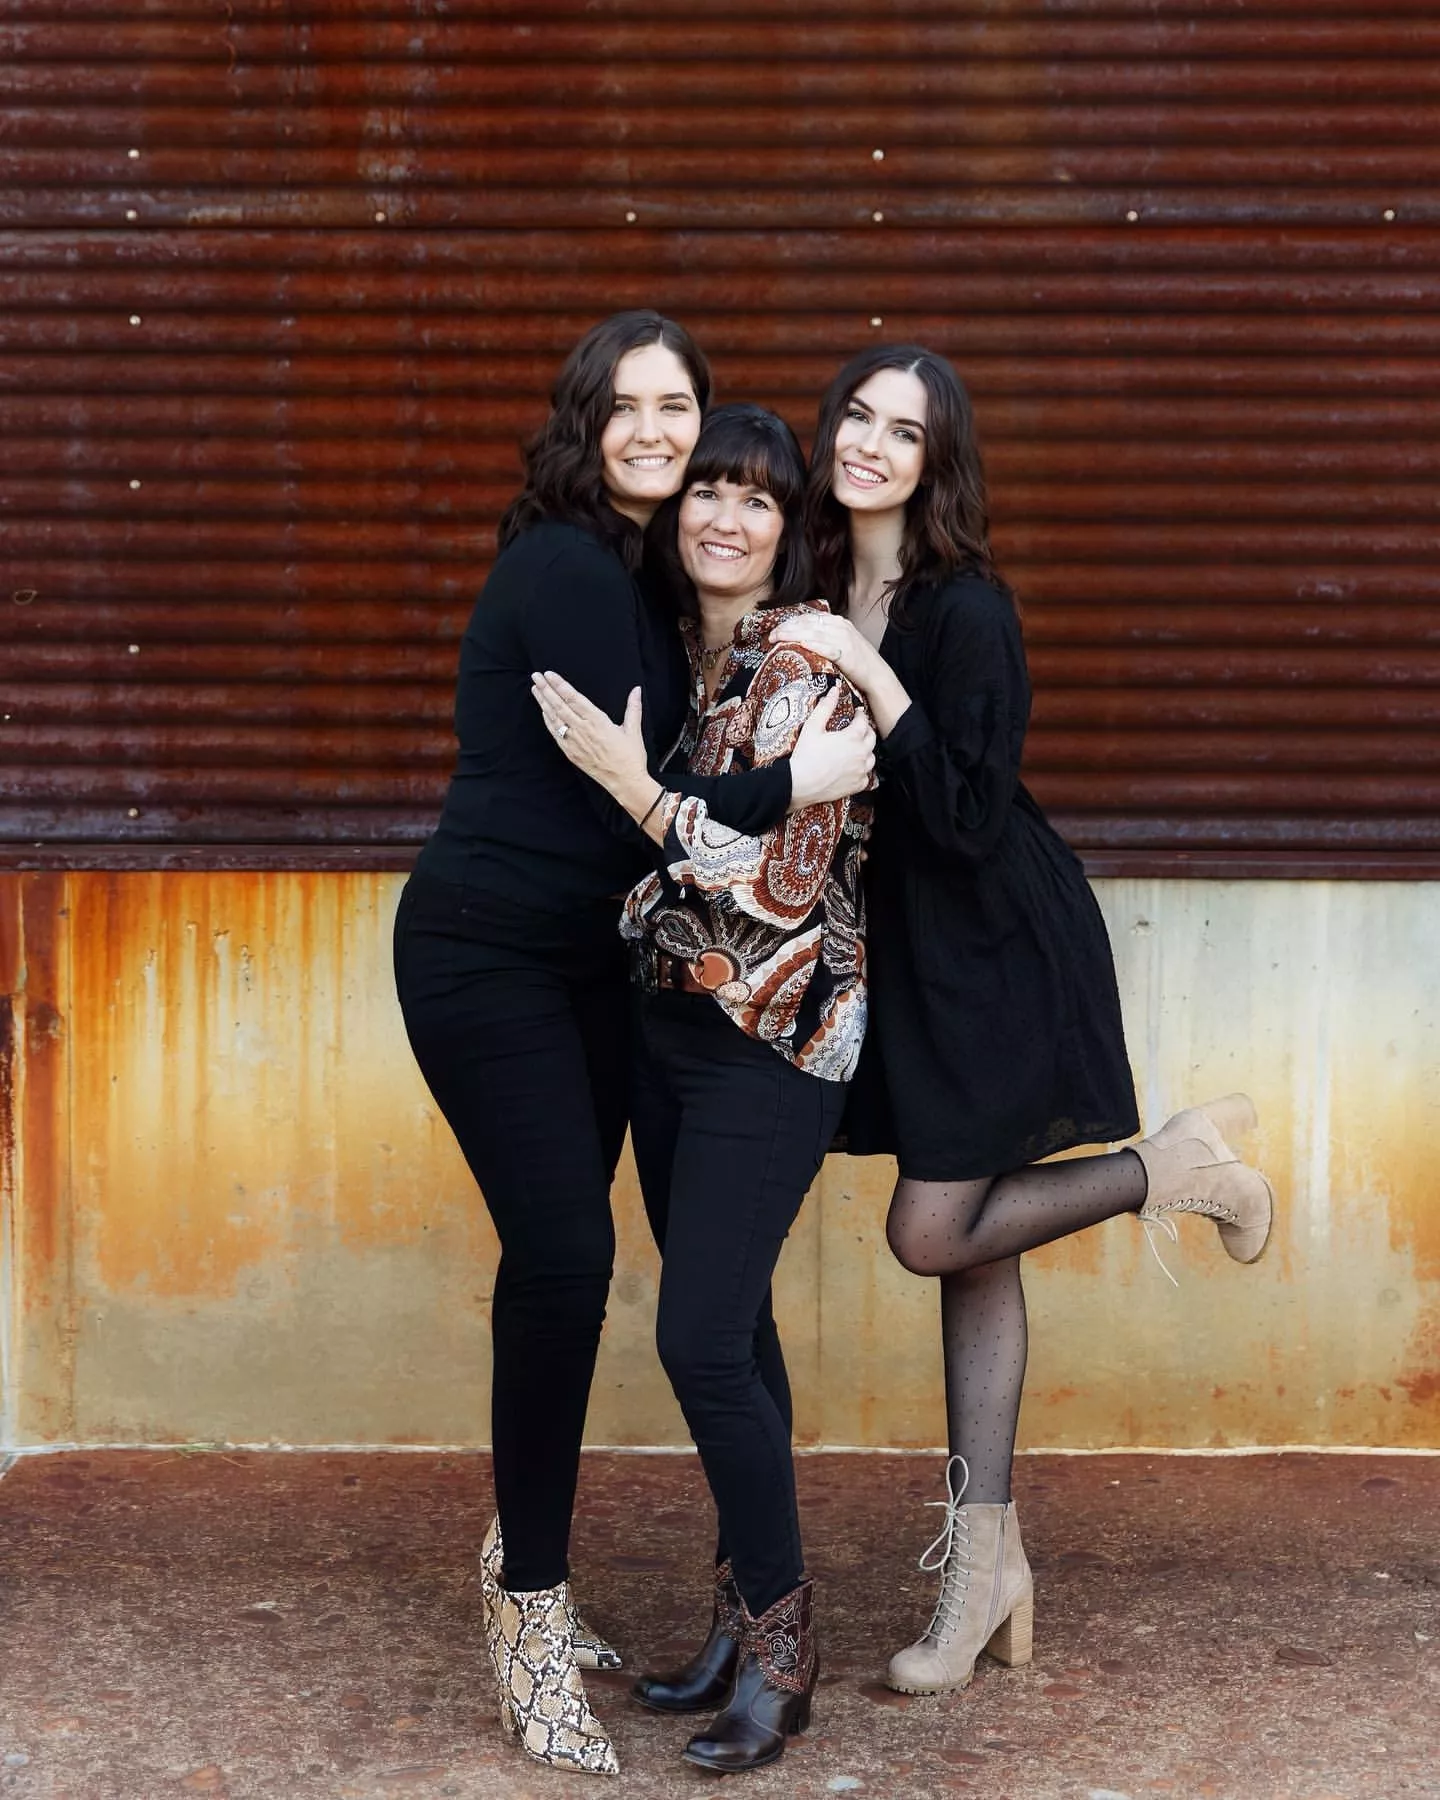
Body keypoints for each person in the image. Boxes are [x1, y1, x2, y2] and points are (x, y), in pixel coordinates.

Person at [393, 317, 874, 1778]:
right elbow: (652, 794)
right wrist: (806, 776)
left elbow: (671, 800)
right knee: (565, 1263)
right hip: (490, 960)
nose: (661, 433)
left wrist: (850, 716)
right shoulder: (565, 565)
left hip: (612, 976)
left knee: (669, 1293)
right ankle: (529, 1609)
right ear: (586, 420)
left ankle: (730, 1613)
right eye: (632, 406)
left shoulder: (667, 587)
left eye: (684, 408)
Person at [770, 345, 1276, 1698]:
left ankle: (1166, 1171)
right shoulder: (816, 583)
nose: (872, 442)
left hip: (994, 953)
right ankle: (985, 1568)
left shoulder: (966, 610)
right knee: (976, 1255)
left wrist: (869, 678)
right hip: (904, 966)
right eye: (860, 415)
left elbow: (967, 818)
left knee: (932, 1231)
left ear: (940, 464)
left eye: (906, 432)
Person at [532, 404, 873, 1773]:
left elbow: (768, 881)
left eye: (757, 500)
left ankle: (787, 1656)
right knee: (742, 1339)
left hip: (772, 1048)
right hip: (672, 1038)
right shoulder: (693, 658)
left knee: (698, 1342)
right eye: (707, 497)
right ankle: (739, 1623)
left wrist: (638, 792)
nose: (725, 518)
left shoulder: (810, 664)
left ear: (792, 530)